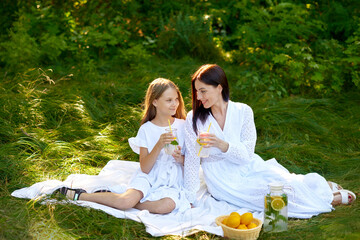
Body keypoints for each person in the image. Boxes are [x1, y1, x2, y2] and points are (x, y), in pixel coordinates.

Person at [183, 64, 356, 218]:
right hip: (223, 180)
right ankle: (328, 199)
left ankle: (320, 187)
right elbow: (192, 161)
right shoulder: (194, 119)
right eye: (196, 91)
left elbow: (246, 156)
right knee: (268, 195)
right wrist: (190, 199)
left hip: (249, 167)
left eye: (203, 91)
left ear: (219, 88)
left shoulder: (243, 112)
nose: (198, 97)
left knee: (284, 182)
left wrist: (222, 144)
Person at [55, 78, 190, 214]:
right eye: (169, 100)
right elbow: (145, 168)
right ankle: (82, 195)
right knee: (125, 202)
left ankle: (113, 198)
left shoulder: (183, 125)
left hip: (171, 181)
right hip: (149, 177)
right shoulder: (146, 129)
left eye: (176, 99)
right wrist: (159, 145)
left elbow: (194, 160)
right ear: (155, 101)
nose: (174, 104)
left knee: (166, 206)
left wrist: (181, 159)